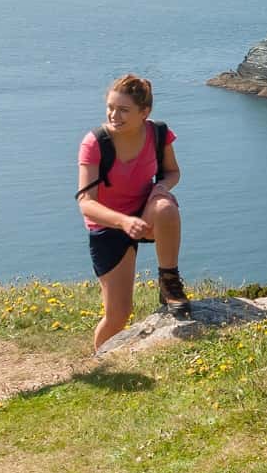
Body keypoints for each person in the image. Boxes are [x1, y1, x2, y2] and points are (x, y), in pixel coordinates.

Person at [78, 73, 189, 352]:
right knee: (118, 315)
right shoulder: (95, 143)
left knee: (166, 206)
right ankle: (101, 362)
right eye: (111, 107)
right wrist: (123, 221)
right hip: (108, 225)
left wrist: (161, 187)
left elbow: (172, 172)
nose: (114, 115)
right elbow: (86, 202)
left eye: (124, 110)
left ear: (145, 112)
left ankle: (169, 283)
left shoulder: (159, 134)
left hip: (144, 213)